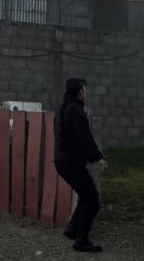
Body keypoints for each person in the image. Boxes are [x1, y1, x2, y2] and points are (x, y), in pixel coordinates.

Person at [55, 78, 105, 253]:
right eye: (84, 89)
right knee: (92, 200)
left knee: (86, 195)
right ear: (79, 92)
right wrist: (97, 156)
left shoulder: (65, 109)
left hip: (63, 161)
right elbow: (85, 137)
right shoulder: (76, 110)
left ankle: (72, 230)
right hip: (70, 162)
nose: (86, 93)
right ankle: (81, 240)